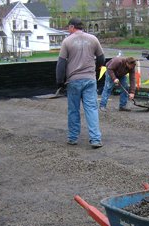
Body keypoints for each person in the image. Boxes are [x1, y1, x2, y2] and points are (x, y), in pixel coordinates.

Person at [56, 18, 105, 148]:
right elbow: (101, 58)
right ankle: (95, 139)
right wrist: (95, 71)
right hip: (90, 79)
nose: (68, 30)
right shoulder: (93, 39)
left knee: (73, 110)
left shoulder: (67, 41)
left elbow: (61, 63)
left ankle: (72, 138)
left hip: (73, 81)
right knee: (92, 109)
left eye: (68, 28)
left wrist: (60, 82)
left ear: (72, 27)